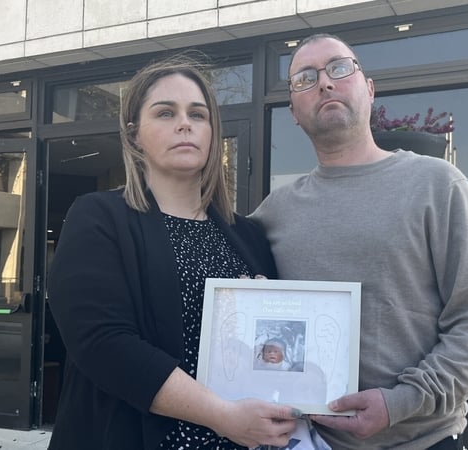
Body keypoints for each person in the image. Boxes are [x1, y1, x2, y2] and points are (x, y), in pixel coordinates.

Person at [250, 34, 468, 450]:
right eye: (305, 78)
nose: (325, 83)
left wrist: (401, 402)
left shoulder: (436, 185)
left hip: (424, 441)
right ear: (294, 113)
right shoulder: (273, 212)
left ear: (369, 89)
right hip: (310, 442)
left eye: (339, 68)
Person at [46, 54, 301, 450]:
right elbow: (102, 343)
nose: (185, 123)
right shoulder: (98, 218)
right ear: (134, 135)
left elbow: (267, 349)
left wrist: (262, 316)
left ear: (212, 133)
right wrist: (223, 416)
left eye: (197, 114)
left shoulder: (248, 235)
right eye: (165, 113)